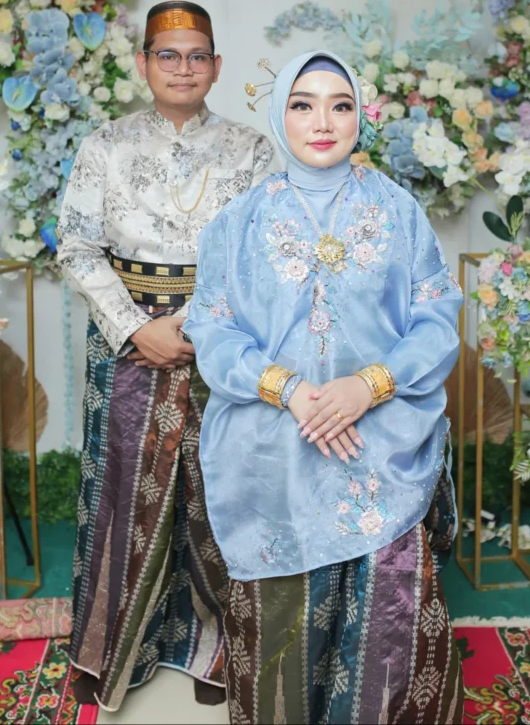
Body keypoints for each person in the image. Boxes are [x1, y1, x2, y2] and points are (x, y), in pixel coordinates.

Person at [185, 50, 464, 724]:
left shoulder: (397, 210)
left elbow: (436, 319)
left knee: (387, 617)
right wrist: (287, 390)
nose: (322, 122)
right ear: (278, 114)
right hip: (272, 436)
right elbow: (212, 329)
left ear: (359, 116)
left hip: (380, 435)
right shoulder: (239, 220)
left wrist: (369, 386)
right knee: (281, 621)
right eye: (302, 105)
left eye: (339, 105)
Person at [57, 0, 275, 713]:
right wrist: (134, 328)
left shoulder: (251, 150)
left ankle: (218, 649)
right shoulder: (105, 145)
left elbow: (263, 255)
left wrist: (198, 327)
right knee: (123, 490)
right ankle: (113, 649)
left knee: (219, 494)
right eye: (168, 55)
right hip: (126, 343)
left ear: (216, 65)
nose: (183, 68)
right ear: (144, 62)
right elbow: (77, 249)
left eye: (197, 55)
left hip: (221, 340)